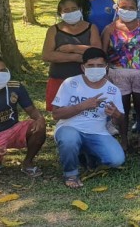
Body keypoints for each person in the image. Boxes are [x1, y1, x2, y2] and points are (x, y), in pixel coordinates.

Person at [52, 48, 125, 189]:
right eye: (91, 66)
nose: (95, 69)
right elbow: (56, 114)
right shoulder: (70, 83)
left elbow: (120, 120)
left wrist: (116, 114)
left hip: (97, 132)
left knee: (117, 160)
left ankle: (86, 154)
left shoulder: (112, 90)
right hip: (69, 128)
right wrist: (82, 106)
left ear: (106, 67)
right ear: (83, 67)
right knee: (69, 139)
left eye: (99, 66)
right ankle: (71, 173)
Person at [101, 0, 140, 150]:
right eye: (124, 7)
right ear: (117, 9)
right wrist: (106, 71)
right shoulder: (110, 28)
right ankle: (124, 140)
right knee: (122, 108)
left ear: (137, 9)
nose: (127, 10)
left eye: (131, 8)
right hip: (118, 74)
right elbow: (103, 52)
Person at [42, 0, 102, 111]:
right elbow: (47, 55)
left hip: (86, 80)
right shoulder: (53, 30)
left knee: (87, 111)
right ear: (60, 13)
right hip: (59, 78)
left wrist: (71, 48)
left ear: (80, 9)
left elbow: (97, 50)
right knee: (60, 112)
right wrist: (76, 57)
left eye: (74, 9)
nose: (71, 12)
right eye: (66, 10)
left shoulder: (91, 27)